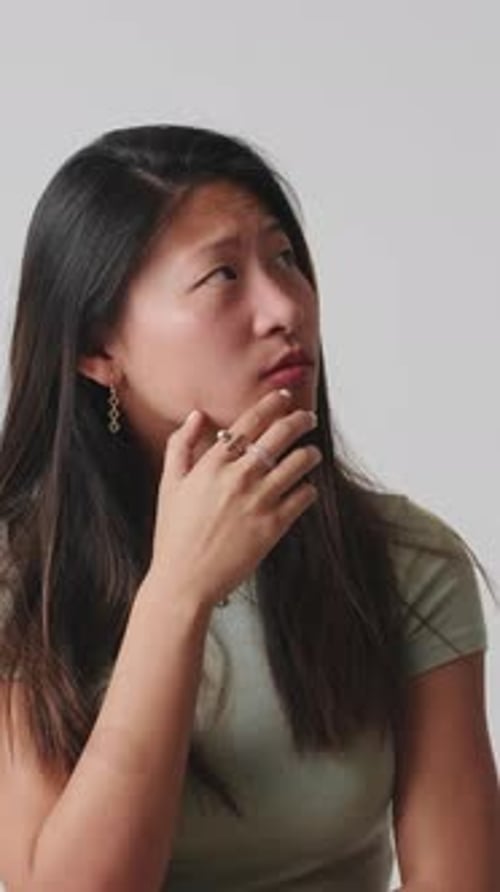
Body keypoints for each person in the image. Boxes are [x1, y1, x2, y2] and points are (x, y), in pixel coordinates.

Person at [0, 124, 497, 892]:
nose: (283, 308)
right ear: (99, 348)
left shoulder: (406, 561)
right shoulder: (20, 576)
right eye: (222, 277)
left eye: (286, 259)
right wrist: (178, 592)